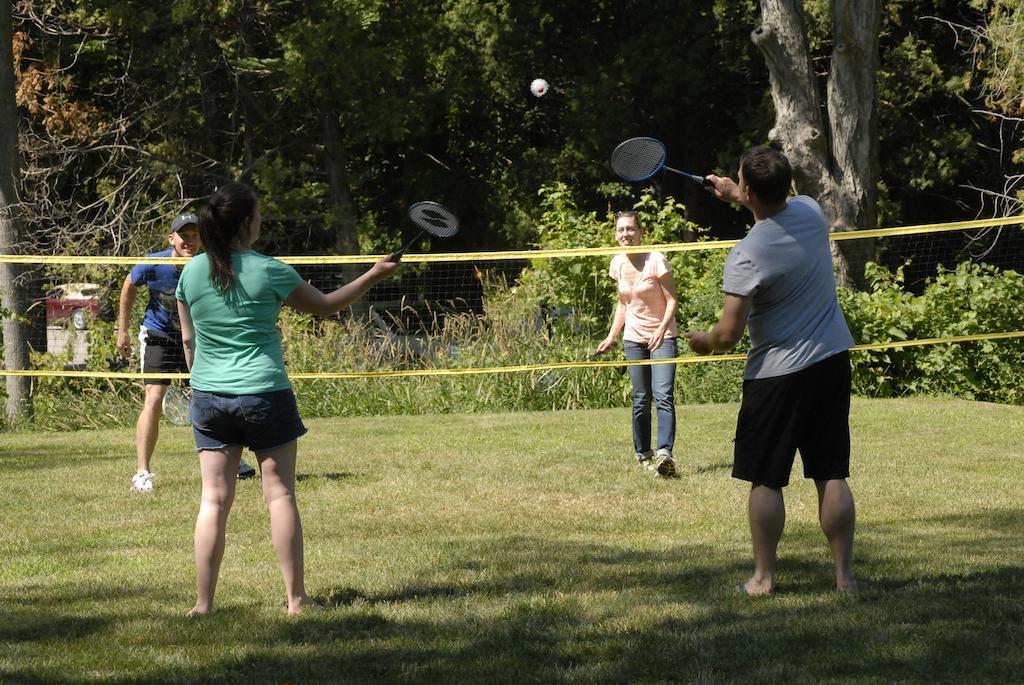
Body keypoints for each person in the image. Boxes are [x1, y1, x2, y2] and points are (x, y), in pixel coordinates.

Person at [175, 181, 398, 616]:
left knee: (213, 501)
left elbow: (189, 341)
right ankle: (296, 601)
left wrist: (202, 378)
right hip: (265, 393)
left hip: (208, 396)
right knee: (279, 496)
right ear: (246, 223)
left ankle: (203, 605)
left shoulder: (191, 272)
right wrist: (372, 274)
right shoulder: (270, 269)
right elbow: (326, 306)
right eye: (258, 215)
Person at [685, 147, 857, 595]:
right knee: (831, 473)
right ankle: (845, 578)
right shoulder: (811, 212)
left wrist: (703, 343)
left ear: (747, 189)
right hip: (832, 360)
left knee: (766, 478)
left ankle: (763, 578)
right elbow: (776, 206)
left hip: (778, 375)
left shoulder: (747, 254)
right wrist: (737, 195)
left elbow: (728, 335)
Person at [117, 213, 256, 492]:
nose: (190, 241)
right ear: (172, 239)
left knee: (214, 400)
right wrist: (123, 331)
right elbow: (129, 285)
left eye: (195, 235)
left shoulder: (210, 264)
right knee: (154, 399)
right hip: (159, 336)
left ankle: (230, 461)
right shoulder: (154, 263)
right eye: (184, 235)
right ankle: (142, 472)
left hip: (198, 339)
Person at [595, 210, 679, 478]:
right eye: (621, 230)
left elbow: (673, 301)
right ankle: (643, 455)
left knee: (663, 396)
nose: (625, 235)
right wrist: (612, 336)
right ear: (616, 234)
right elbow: (623, 304)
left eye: (630, 229)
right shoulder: (617, 264)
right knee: (641, 398)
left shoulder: (656, 260)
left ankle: (664, 454)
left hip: (662, 337)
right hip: (633, 338)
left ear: (641, 232)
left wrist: (662, 329)